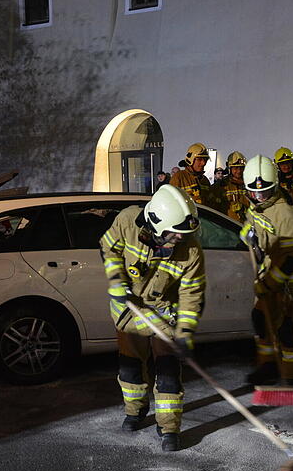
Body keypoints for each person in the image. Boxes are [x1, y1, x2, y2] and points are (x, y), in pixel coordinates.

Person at [99, 184, 206, 452]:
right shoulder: (126, 221)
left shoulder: (190, 251)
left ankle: (169, 428)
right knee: (130, 367)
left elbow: (192, 296)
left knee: (168, 373)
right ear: (156, 224)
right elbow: (108, 248)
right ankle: (135, 411)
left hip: (163, 314)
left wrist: (184, 332)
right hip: (129, 310)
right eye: (175, 234)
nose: (180, 239)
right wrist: (116, 283)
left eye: (184, 234)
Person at [240, 155, 293, 386]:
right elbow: (251, 230)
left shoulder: (286, 213)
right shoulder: (255, 205)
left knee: (288, 331)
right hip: (270, 273)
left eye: (264, 193)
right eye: (255, 193)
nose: (259, 197)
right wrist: (247, 237)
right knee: (261, 319)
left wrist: (269, 283)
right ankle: (268, 367)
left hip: (292, 281)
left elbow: (291, 258)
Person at [171, 143, 227, 211]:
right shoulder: (179, 177)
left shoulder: (204, 180)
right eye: (199, 159)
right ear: (191, 160)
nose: (203, 163)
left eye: (205, 160)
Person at [216, 151, 251, 222]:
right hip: (228, 228)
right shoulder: (221, 186)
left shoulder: (249, 185)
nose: (239, 171)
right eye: (235, 168)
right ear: (229, 168)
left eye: (241, 168)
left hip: (248, 226)